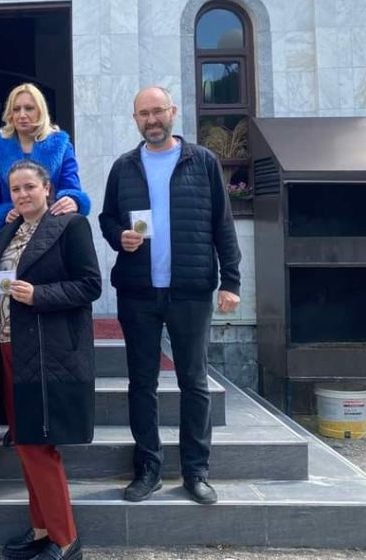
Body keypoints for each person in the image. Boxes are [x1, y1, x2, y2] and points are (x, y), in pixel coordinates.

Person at [98, 86, 241, 506]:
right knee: (141, 383)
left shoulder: (203, 161)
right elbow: (107, 218)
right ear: (135, 119)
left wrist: (231, 282)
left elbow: (223, 225)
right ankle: (148, 469)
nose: (152, 120)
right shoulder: (124, 167)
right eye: (144, 114)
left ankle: (196, 471)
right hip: (138, 291)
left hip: (191, 290)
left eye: (157, 111)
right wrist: (118, 237)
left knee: (193, 381)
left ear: (172, 112)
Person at [0, 160, 101, 560]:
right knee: (25, 442)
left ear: (47, 188)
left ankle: (66, 539)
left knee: (39, 445)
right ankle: (41, 530)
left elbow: (90, 285)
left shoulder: (71, 226)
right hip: (7, 346)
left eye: (29, 187)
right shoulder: (7, 232)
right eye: (15, 189)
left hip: (45, 351)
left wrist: (39, 295)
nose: (22, 194)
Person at [0, 83, 90, 230]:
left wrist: (73, 201)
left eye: (29, 108)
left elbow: (72, 188)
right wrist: (4, 214)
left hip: (54, 228)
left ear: (40, 111)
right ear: (10, 114)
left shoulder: (61, 145)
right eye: (16, 109)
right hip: (13, 231)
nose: (22, 115)